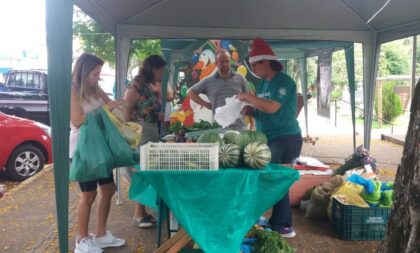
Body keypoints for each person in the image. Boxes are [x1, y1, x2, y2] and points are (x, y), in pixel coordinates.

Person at [238, 38, 303, 238]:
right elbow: (264, 110)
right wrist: (251, 109)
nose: (252, 68)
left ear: (266, 61)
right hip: (270, 138)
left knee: (268, 174)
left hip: (286, 138)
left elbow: (272, 107)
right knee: (276, 179)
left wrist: (249, 97)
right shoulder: (264, 84)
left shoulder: (284, 81)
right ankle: (280, 223)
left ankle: (282, 223)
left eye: (254, 64)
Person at [70, 53, 125, 253]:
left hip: (100, 148)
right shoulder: (74, 89)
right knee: (88, 194)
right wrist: (104, 110)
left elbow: (109, 103)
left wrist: (115, 106)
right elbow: (77, 120)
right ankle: (81, 240)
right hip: (83, 148)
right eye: (95, 73)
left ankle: (101, 235)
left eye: (99, 73)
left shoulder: (93, 87)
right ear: (84, 72)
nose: (98, 77)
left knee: (109, 189)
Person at [123, 54, 171, 228]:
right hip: (140, 132)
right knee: (141, 172)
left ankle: (143, 212)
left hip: (151, 129)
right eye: (161, 70)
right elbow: (126, 108)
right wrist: (129, 133)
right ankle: (138, 215)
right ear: (152, 68)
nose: (162, 73)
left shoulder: (150, 86)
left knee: (146, 171)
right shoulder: (135, 85)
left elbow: (148, 107)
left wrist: (157, 115)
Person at [187, 49, 249, 131]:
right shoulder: (208, 81)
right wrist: (206, 104)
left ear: (230, 62)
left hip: (240, 128)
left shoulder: (240, 78)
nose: (225, 64)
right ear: (216, 63)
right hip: (218, 130)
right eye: (221, 62)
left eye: (227, 61)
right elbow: (190, 92)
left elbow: (247, 100)